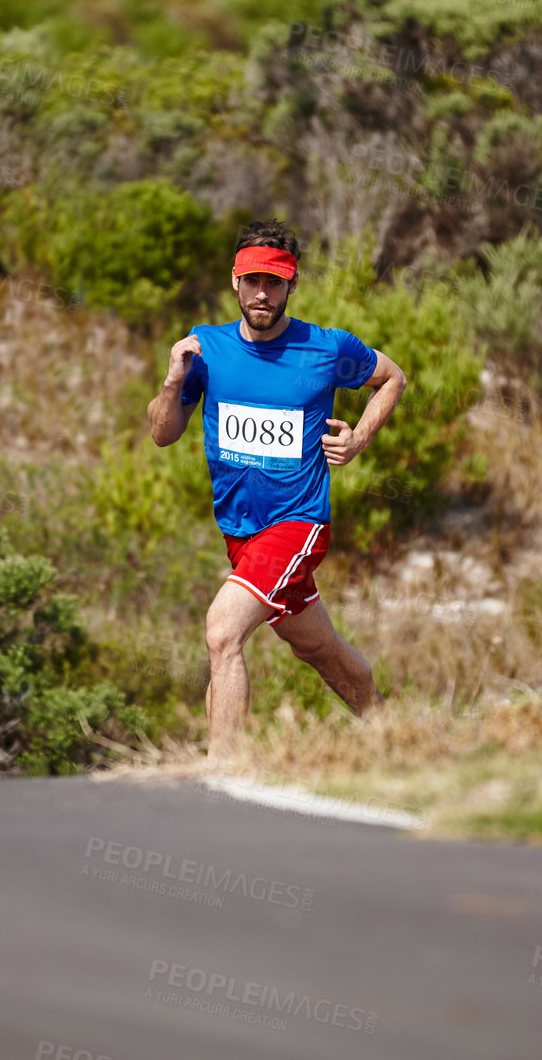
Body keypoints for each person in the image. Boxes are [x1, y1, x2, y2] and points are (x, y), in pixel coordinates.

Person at [147, 220, 406, 753]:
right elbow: (162, 434)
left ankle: (223, 780)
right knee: (318, 648)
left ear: (292, 285)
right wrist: (173, 382)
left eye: (275, 282)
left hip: (298, 524)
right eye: (253, 281)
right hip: (240, 532)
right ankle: (395, 738)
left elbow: (392, 377)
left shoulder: (326, 347)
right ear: (235, 282)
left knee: (223, 632)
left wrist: (358, 440)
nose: (263, 293)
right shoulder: (207, 348)